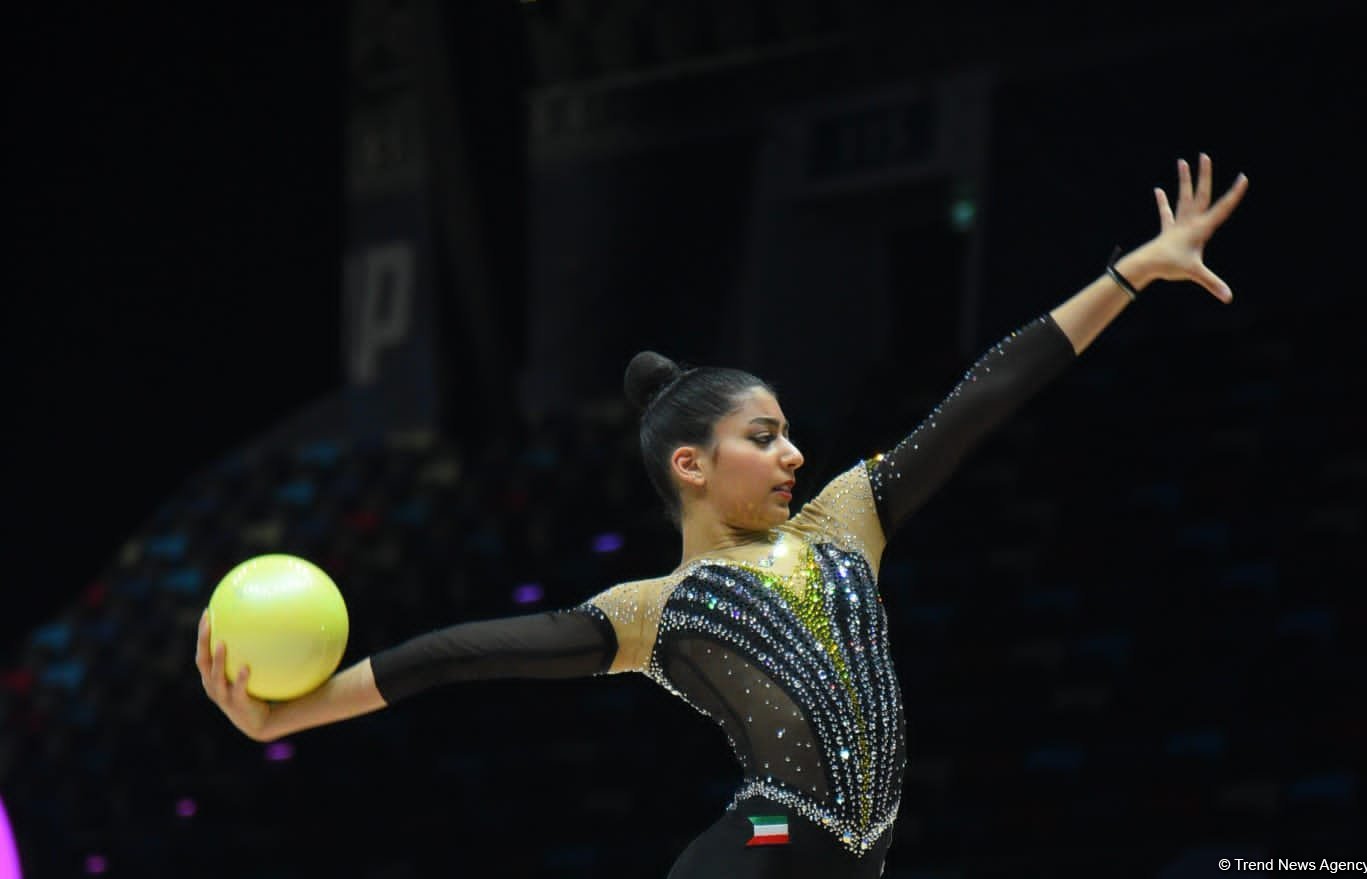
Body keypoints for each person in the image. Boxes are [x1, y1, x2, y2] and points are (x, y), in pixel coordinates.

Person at [197, 154, 1248, 877]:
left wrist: (1128, 273)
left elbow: (981, 396)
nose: (794, 453)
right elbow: (453, 655)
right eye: (764, 436)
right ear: (691, 464)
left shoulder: (846, 523)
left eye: (788, 433)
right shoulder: (653, 611)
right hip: (763, 852)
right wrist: (287, 713)